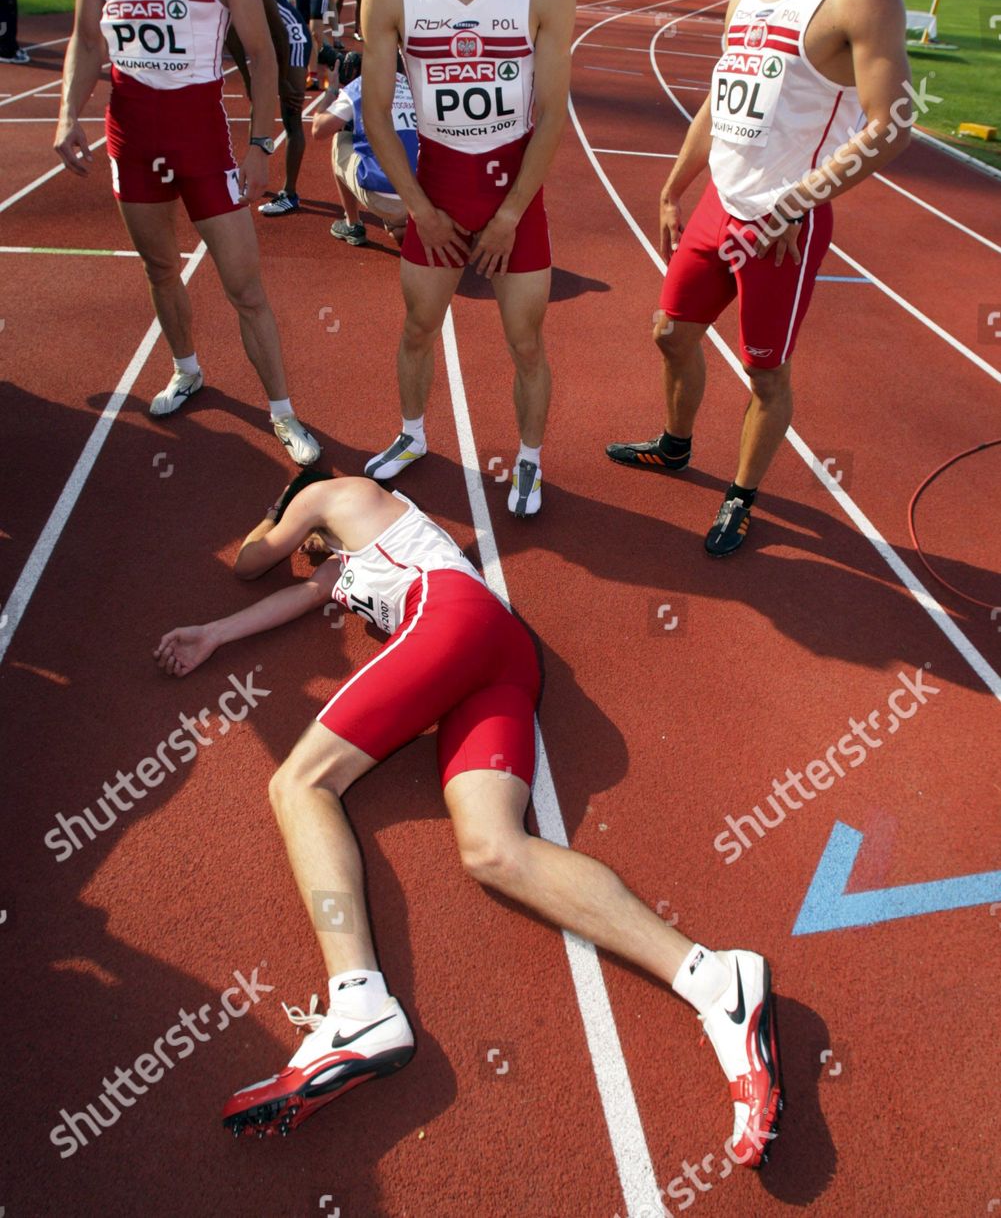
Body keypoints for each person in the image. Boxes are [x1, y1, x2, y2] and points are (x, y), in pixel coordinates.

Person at [155, 470, 783, 1161]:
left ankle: (358, 1003)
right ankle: (715, 979)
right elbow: (297, 595)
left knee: (298, 785)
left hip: (447, 618)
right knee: (493, 851)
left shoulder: (331, 490)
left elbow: (253, 562)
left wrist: (273, 516)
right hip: (497, 654)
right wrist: (214, 634)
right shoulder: (348, 561)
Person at [608, 0, 913, 556]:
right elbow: (721, 97)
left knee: (764, 373)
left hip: (783, 222)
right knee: (670, 332)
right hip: (718, 204)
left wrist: (793, 205)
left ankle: (740, 497)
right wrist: (675, 182)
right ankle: (675, 446)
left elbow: (893, 123)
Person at [54, 0, 319, 466]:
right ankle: (187, 368)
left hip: (201, 134)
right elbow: (85, 34)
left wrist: (262, 147)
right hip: (129, 130)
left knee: (244, 287)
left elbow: (262, 54)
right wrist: (66, 116)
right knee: (159, 268)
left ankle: (284, 412)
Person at [361, 0, 576, 518]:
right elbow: (375, 113)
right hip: (438, 187)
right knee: (418, 327)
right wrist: (419, 208)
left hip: (515, 191)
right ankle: (414, 434)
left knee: (525, 341)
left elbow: (551, 113)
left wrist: (513, 212)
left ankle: (527, 460)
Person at [224, 0, 309, 219]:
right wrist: (249, 80)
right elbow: (231, 37)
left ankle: (290, 194)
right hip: (263, 38)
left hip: (289, 35)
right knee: (257, 105)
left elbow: (280, 34)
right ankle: (254, 172)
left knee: (291, 114)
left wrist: (281, 81)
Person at [312, 49, 418, 247]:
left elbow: (318, 130)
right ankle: (401, 222)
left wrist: (332, 90)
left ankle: (353, 223)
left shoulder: (360, 86)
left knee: (341, 138)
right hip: (422, 195)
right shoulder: (417, 85)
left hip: (384, 195)